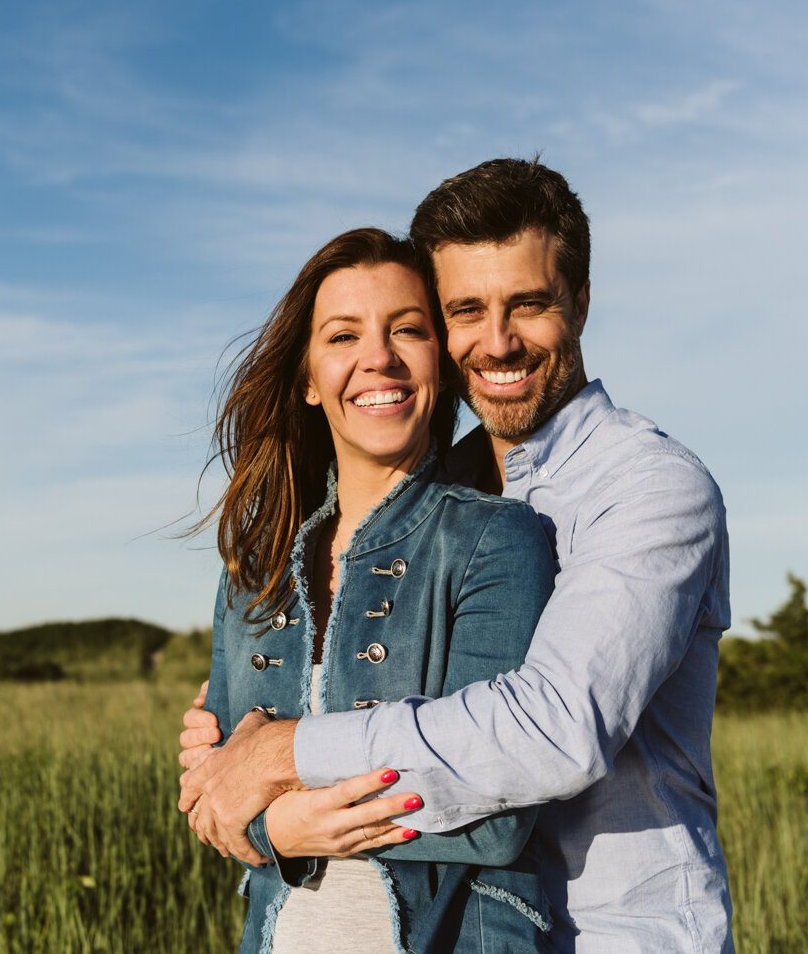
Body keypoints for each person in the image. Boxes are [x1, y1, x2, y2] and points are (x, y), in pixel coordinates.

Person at [179, 159, 734, 953]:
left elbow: (553, 727)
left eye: (530, 304)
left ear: (579, 301)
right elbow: (274, 721)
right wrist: (230, 755)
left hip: (621, 933)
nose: (498, 340)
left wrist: (283, 761)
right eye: (466, 310)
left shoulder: (650, 486)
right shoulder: (440, 499)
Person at [192, 226, 560, 952]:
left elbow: (497, 814)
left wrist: (281, 817)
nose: (378, 358)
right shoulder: (253, 571)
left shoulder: (498, 540)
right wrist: (253, 812)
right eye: (343, 335)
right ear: (306, 378)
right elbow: (216, 797)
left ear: (442, 365)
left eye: (407, 330)